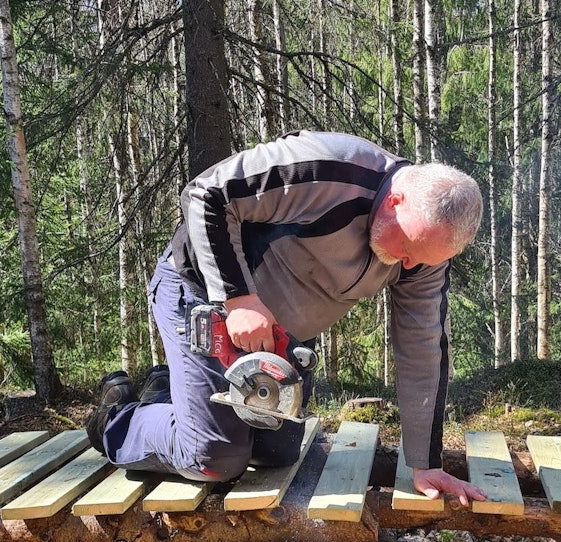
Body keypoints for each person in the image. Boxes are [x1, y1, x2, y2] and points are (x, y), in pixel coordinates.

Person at [86, 130, 487, 505]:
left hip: (275, 336)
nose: (408, 263)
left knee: (275, 453)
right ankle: (115, 419)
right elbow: (207, 195)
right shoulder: (328, 169)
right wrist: (238, 299)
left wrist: (425, 463)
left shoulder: (422, 255)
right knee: (215, 456)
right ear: (396, 200)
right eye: (407, 247)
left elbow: (423, 349)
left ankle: (166, 393)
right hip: (205, 299)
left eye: (421, 260)